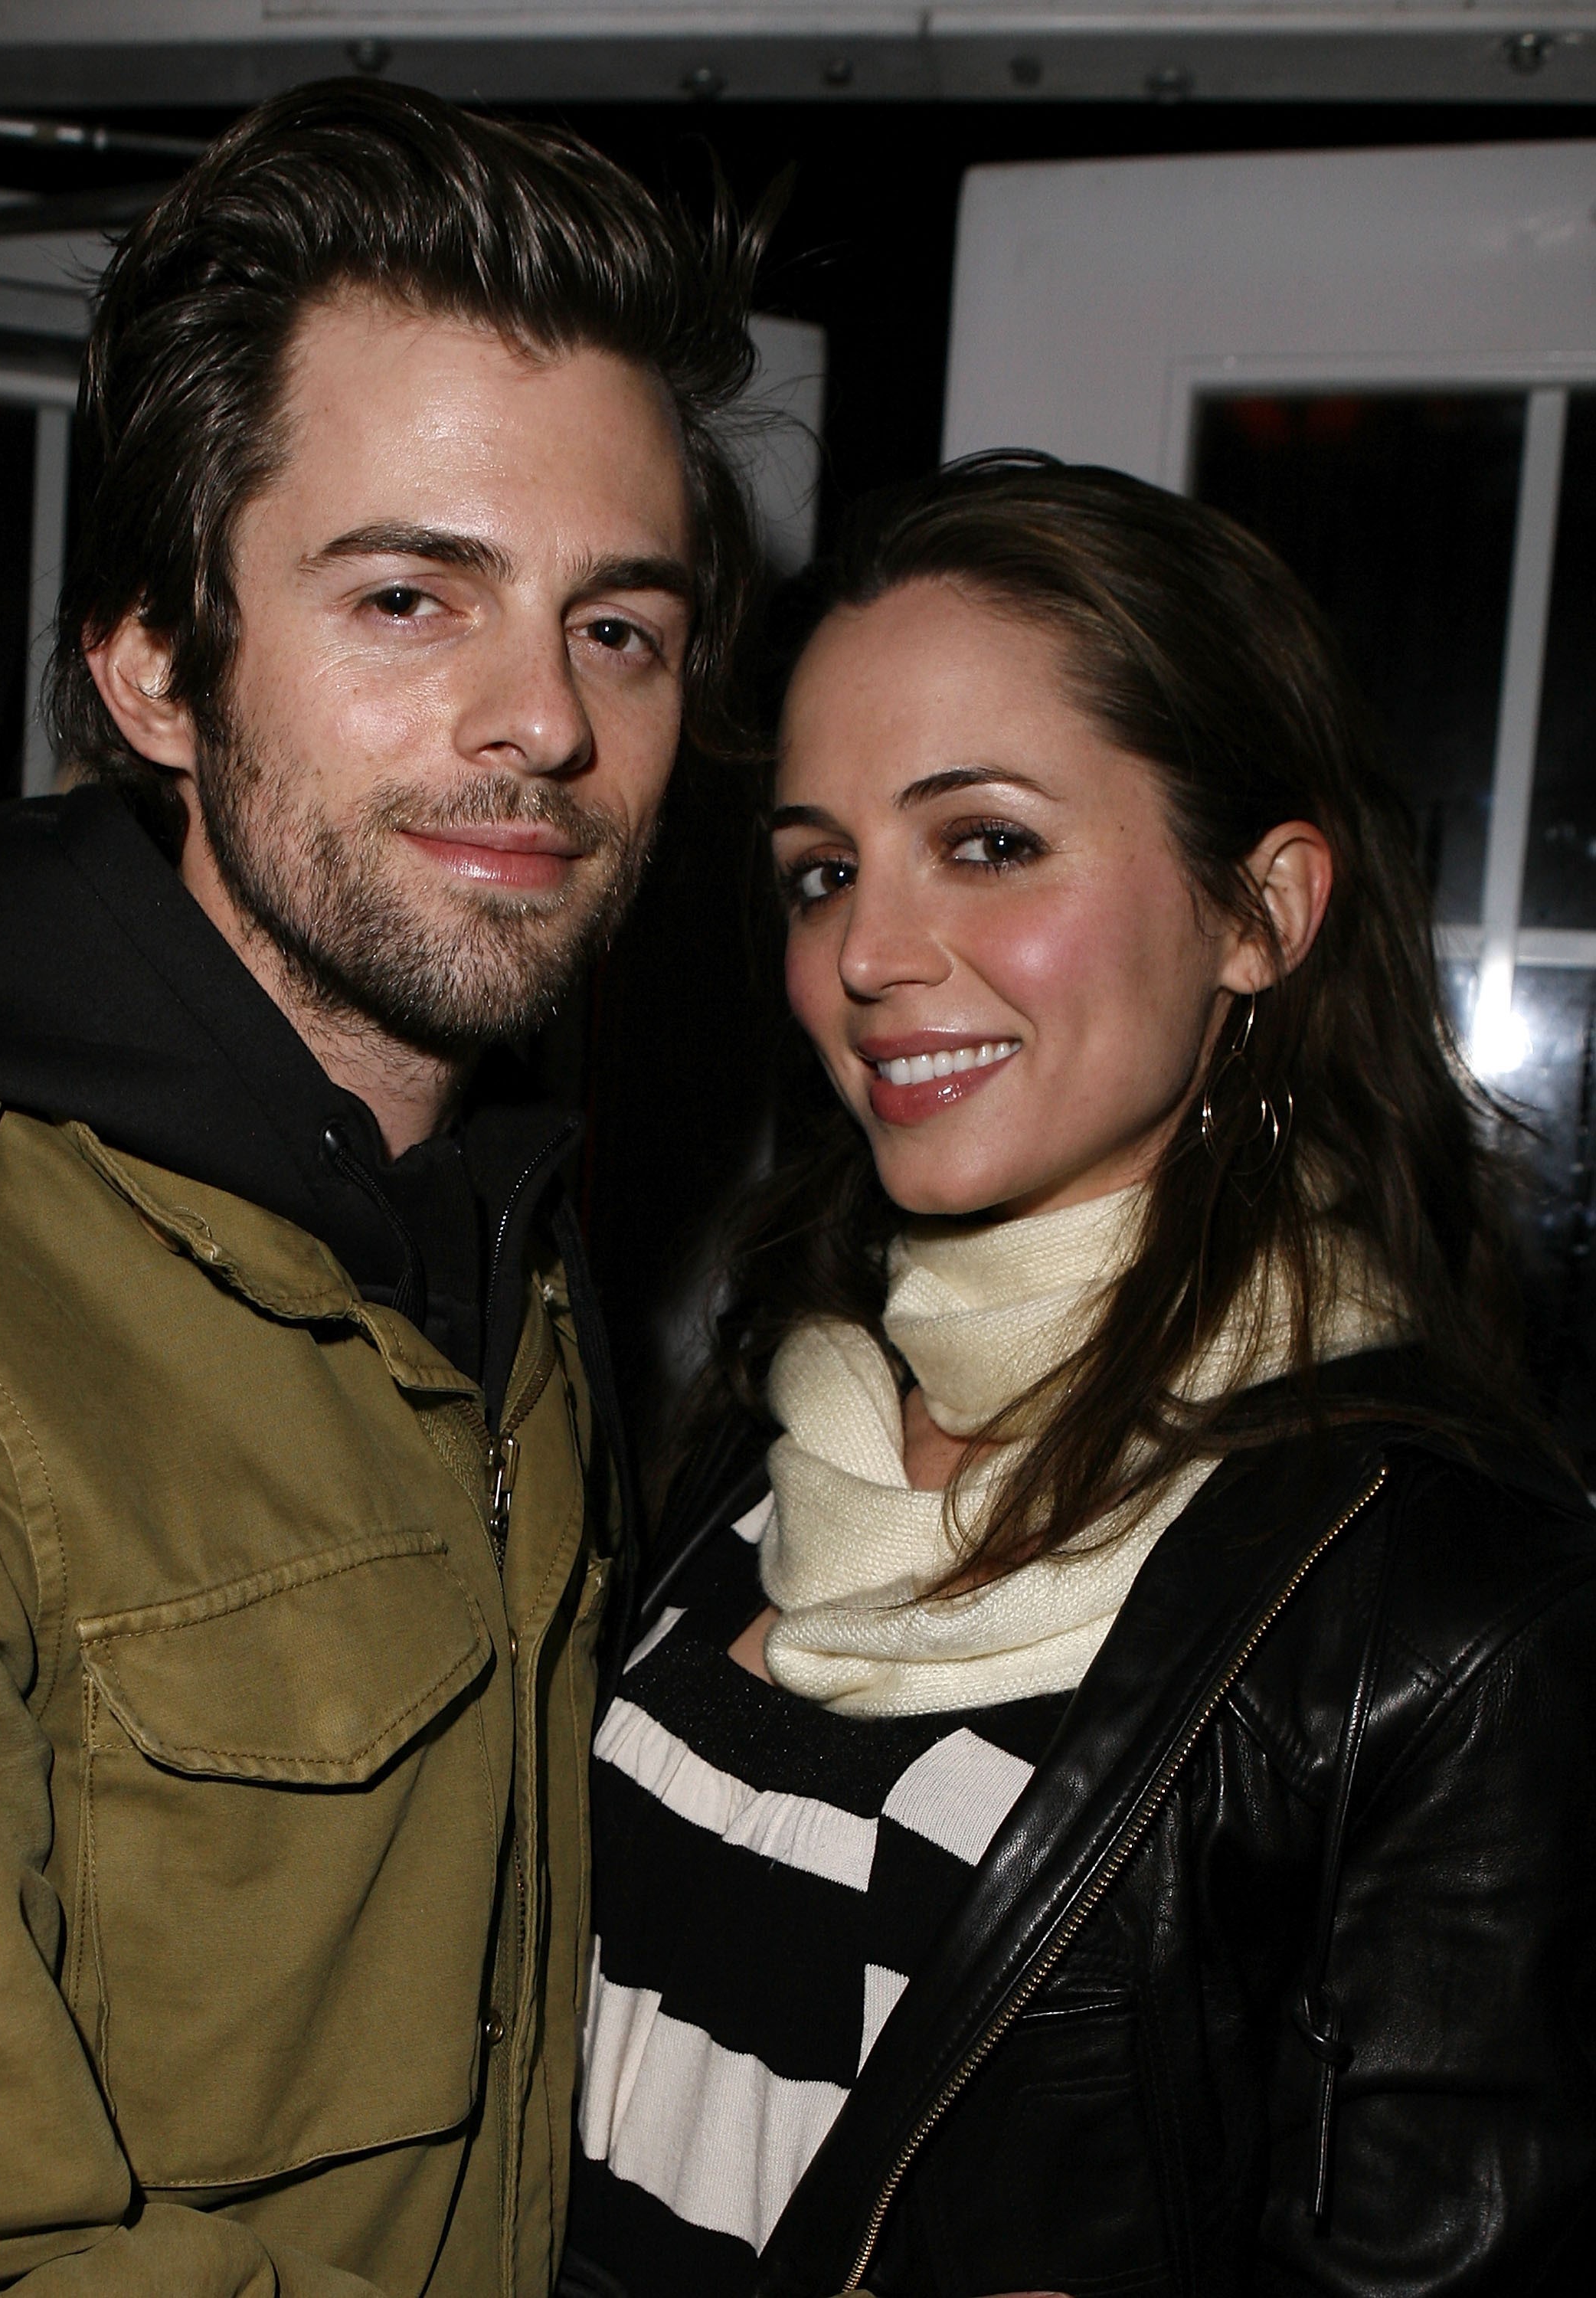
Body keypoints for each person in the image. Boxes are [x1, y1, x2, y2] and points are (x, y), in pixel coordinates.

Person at [0, 81, 762, 2296]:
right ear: (155, 667)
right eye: (408, 597)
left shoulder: (502, 1253)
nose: (541, 723)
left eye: (617, 626)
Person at [565, 453, 1596, 2298]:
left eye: (987, 842)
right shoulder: (788, 1406)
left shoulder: (1448, 1613)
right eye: (821, 871)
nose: (866, 955)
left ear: (1259, 911)